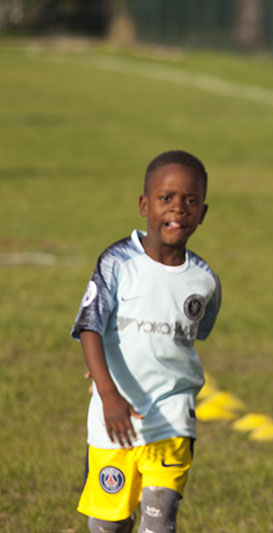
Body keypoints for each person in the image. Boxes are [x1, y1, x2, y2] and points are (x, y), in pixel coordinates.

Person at [71, 150, 221, 533]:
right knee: (108, 525)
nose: (178, 209)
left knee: (160, 519)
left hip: (172, 416)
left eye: (190, 201)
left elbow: (189, 339)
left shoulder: (204, 281)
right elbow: (90, 327)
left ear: (203, 213)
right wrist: (107, 393)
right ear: (144, 205)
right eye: (166, 198)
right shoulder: (118, 261)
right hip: (115, 417)